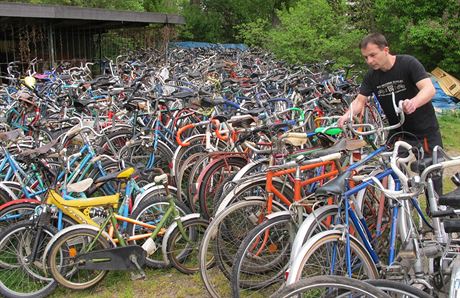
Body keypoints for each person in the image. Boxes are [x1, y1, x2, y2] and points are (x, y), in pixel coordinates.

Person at [338, 32, 443, 194]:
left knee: (431, 174)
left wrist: (413, 102)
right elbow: (360, 101)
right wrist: (347, 115)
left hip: (424, 130)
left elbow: (428, 89)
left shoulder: (408, 63)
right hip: (398, 132)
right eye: (365, 57)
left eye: (373, 55)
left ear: (386, 50)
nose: (369, 61)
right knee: (389, 168)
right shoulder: (371, 76)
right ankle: (399, 208)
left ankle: (435, 213)